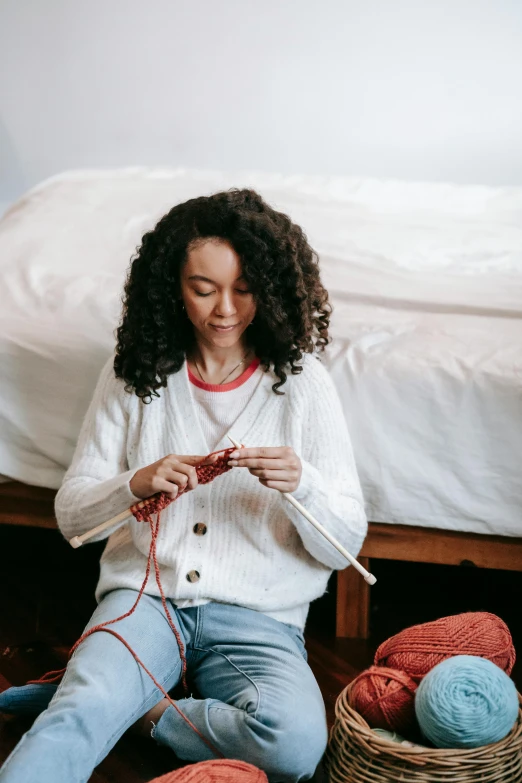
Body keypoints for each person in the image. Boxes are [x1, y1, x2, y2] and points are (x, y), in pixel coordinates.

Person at [0, 189, 367, 783]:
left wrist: (304, 486)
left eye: (244, 288)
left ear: (271, 288)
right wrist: (134, 483)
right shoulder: (136, 376)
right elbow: (71, 517)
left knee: (294, 746)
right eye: (204, 289)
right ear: (173, 286)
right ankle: (95, 701)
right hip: (144, 602)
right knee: (76, 716)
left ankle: (139, 711)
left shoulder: (304, 386)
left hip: (259, 619)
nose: (225, 309)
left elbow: (345, 540)